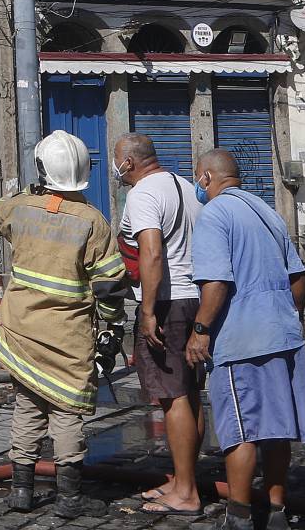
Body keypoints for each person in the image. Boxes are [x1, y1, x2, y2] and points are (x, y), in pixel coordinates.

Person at [0, 130, 129, 515]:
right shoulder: (92, 222)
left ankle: (21, 491)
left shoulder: (20, 209)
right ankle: (68, 498)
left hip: (21, 330)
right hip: (67, 337)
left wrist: (34, 192)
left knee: (27, 406)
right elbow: (111, 287)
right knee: (66, 413)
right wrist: (113, 328)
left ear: (42, 170)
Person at [185, 148, 305, 530]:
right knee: (277, 429)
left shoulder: (214, 214)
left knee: (239, 431)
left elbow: (216, 283)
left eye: (198, 178)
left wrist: (200, 330)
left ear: (207, 178)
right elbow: (298, 278)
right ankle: (277, 511)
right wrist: (289, 317)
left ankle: (239, 515)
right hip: (282, 333)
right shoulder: (269, 213)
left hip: (242, 337)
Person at [112, 132, 207, 518]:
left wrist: (148, 311)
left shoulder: (142, 195)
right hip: (194, 299)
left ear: (130, 163)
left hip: (168, 302)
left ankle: (186, 492)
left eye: (119, 161)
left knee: (173, 396)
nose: (117, 168)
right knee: (190, 392)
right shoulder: (185, 187)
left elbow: (151, 252)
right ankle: (184, 478)